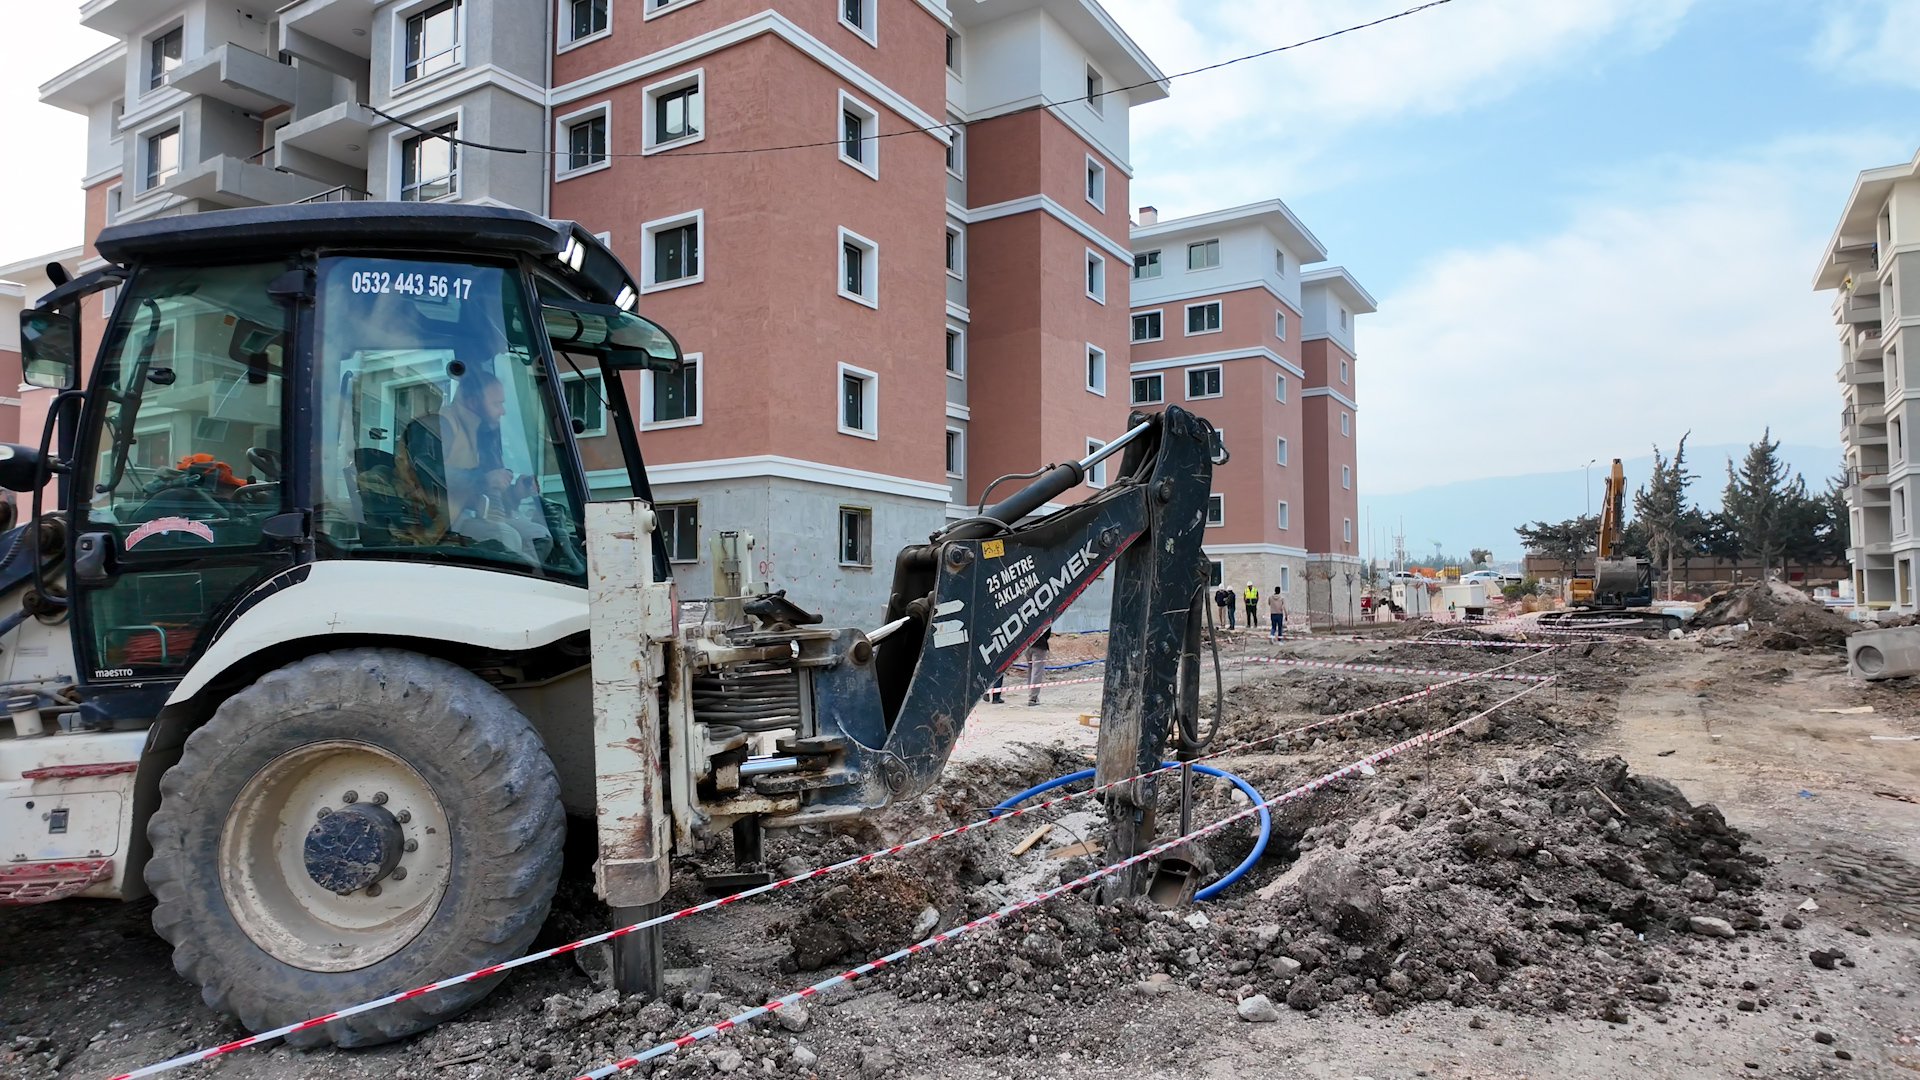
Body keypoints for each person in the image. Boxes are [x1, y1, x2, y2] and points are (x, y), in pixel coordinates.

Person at [396, 365, 552, 563]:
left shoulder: (482, 434)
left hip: (469, 514)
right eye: (497, 404)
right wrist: (482, 480)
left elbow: (487, 498)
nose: (502, 411)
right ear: (472, 401)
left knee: (538, 535)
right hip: (436, 521)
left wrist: (514, 493)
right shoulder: (436, 425)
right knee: (506, 536)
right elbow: (428, 475)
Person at [1024, 624, 1053, 706]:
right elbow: (1047, 632)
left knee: (1030, 669)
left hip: (1027, 645)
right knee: (1037, 671)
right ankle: (1033, 697)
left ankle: (1030, 692)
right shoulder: (1043, 617)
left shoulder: (1026, 616)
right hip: (1039, 645)